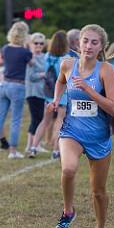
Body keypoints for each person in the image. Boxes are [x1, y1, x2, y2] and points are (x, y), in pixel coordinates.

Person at [49, 24, 114, 228]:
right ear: (78, 42)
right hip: (72, 131)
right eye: (85, 41)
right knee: (68, 169)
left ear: (101, 46)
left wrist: (88, 90)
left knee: (98, 192)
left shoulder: (105, 70)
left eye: (94, 42)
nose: (88, 46)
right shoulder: (67, 64)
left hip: (98, 136)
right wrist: (57, 99)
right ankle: (68, 212)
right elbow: (60, 81)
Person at [0, 21, 33, 158]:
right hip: (17, 86)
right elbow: (31, 63)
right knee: (15, 119)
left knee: (0, 117)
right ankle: (13, 151)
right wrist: (28, 46)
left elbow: (5, 60)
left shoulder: (5, 48)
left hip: (3, 85)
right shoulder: (25, 52)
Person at [32, 30, 71, 159]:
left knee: (45, 120)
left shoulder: (47, 55)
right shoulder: (65, 58)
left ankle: (33, 147)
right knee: (60, 120)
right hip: (62, 92)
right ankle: (56, 150)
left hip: (48, 91)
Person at [25, 32, 47, 157]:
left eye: (41, 43)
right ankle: (34, 145)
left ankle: (32, 145)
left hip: (43, 92)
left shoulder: (45, 56)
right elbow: (30, 77)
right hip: (33, 92)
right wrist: (42, 75)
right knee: (37, 119)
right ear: (31, 44)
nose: (38, 45)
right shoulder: (30, 57)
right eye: (36, 43)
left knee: (37, 119)